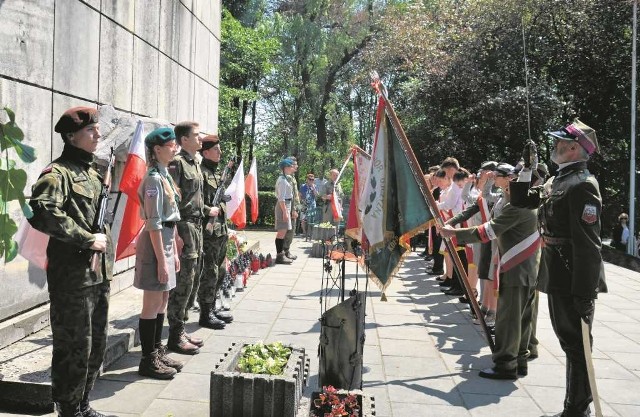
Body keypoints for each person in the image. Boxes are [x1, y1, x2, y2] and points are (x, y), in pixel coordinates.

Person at [510, 120, 608, 417]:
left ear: (574, 148)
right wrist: (528, 168)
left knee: (577, 345)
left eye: (559, 143)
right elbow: (523, 201)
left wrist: (585, 291)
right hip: (556, 269)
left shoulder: (582, 185)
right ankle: (576, 405)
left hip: (572, 273)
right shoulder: (558, 180)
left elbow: (589, 244)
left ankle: (577, 409)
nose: (554, 146)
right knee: (568, 340)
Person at [28, 107, 112, 417]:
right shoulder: (58, 173)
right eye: (91, 131)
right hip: (72, 279)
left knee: (96, 347)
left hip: (97, 275)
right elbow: (42, 212)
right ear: (71, 136)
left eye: (97, 130)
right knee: (73, 349)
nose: (97, 135)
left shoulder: (91, 173)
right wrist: (87, 239)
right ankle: (68, 410)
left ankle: (83, 405)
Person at [440, 162, 541, 380]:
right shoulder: (527, 203)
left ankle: (506, 364)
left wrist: (454, 234)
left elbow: (489, 230)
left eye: (514, 181)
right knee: (522, 320)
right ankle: (520, 361)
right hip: (526, 268)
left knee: (509, 321)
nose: (509, 185)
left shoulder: (518, 206)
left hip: (515, 268)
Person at [134, 127, 184, 380]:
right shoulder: (153, 179)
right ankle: (147, 360)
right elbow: (153, 222)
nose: (175, 148)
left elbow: (170, 221)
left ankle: (157, 351)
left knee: (163, 299)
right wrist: (162, 259)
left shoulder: (164, 174)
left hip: (166, 239)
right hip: (155, 243)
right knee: (151, 303)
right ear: (157, 149)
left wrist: (173, 251)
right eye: (172, 145)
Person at [167, 121, 207, 355]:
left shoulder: (194, 163)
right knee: (183, 281)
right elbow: (172, 201)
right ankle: (174, 334)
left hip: (197, 227)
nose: (200, 139)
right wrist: (176, 233)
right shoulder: (177, 163)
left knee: (192, 279)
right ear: (184, 140)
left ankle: (180, 328)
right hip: (184, 227)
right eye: (196, 135)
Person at [198, 134, 233, 329]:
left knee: (220, 272)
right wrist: (206, 210)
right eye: (216, 150)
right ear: (205, 152)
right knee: (209, 273)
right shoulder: (201, 173)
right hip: (209, 232)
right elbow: (195, 201)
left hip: (220, 230)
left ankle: (212, 307)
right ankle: (205, 313)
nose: (220, 152)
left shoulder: (217, 173)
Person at [275, 158, 296, 264]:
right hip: (283, 206)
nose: (292, 168)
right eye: (290, 167)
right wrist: (285, 212)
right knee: (281, 232)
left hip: (286, 205)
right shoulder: (283, 181)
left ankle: (281, 254)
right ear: (285, 168)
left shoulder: (285, 178)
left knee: (283, 232)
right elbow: (281, 198)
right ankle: (280, 256)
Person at [282, 156, 300, 259]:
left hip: (293, 207)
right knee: (289, 231)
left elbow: (295, 194)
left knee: (291, 230)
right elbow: (289, 195)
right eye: (295, 164)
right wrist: (293, 209)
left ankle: (286, 251)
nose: (296, 166)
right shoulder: (287, 177)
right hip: (290, 207)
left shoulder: (291, 177)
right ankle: (284, 252)